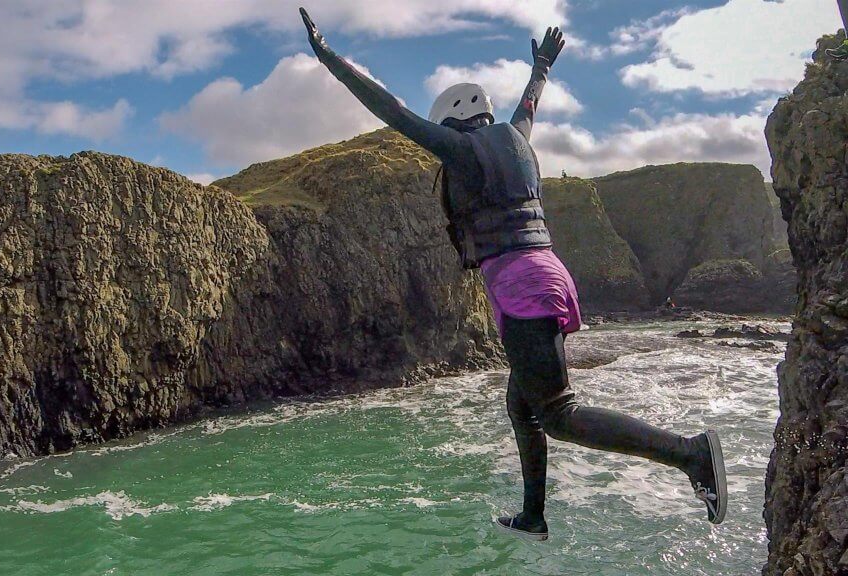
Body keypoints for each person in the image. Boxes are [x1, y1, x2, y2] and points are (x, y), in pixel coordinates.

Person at [299, 7, 727, 540]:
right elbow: (530, 103)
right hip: (545, 274)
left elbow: (390, 109)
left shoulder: (459, 149)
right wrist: (542, 65)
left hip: (523, 287)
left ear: (453, 120)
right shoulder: (517, 136)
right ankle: (533, 516)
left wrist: (328, 57)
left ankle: (690, 455)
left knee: (559, 412)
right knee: (521, 405)